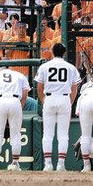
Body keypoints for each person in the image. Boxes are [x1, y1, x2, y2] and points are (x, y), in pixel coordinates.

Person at [36, 42, 81, 171]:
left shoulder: (45, 66)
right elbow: (74, 88)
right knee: (63, 134)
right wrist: (69, 102)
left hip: (49, 98)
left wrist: (44, 100)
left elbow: (39, 87)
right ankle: (61, 164)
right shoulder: (70, 67)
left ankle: (48, 164)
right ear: (64, 53)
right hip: (64, 98)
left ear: (52, 51)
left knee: (48, 134)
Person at [0, 66, 30, 171]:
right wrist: (20, 107)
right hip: (15, 101)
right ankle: (15, 163)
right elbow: (25, 94)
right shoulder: (19, 75)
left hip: (0, 101)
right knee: (16, 134)